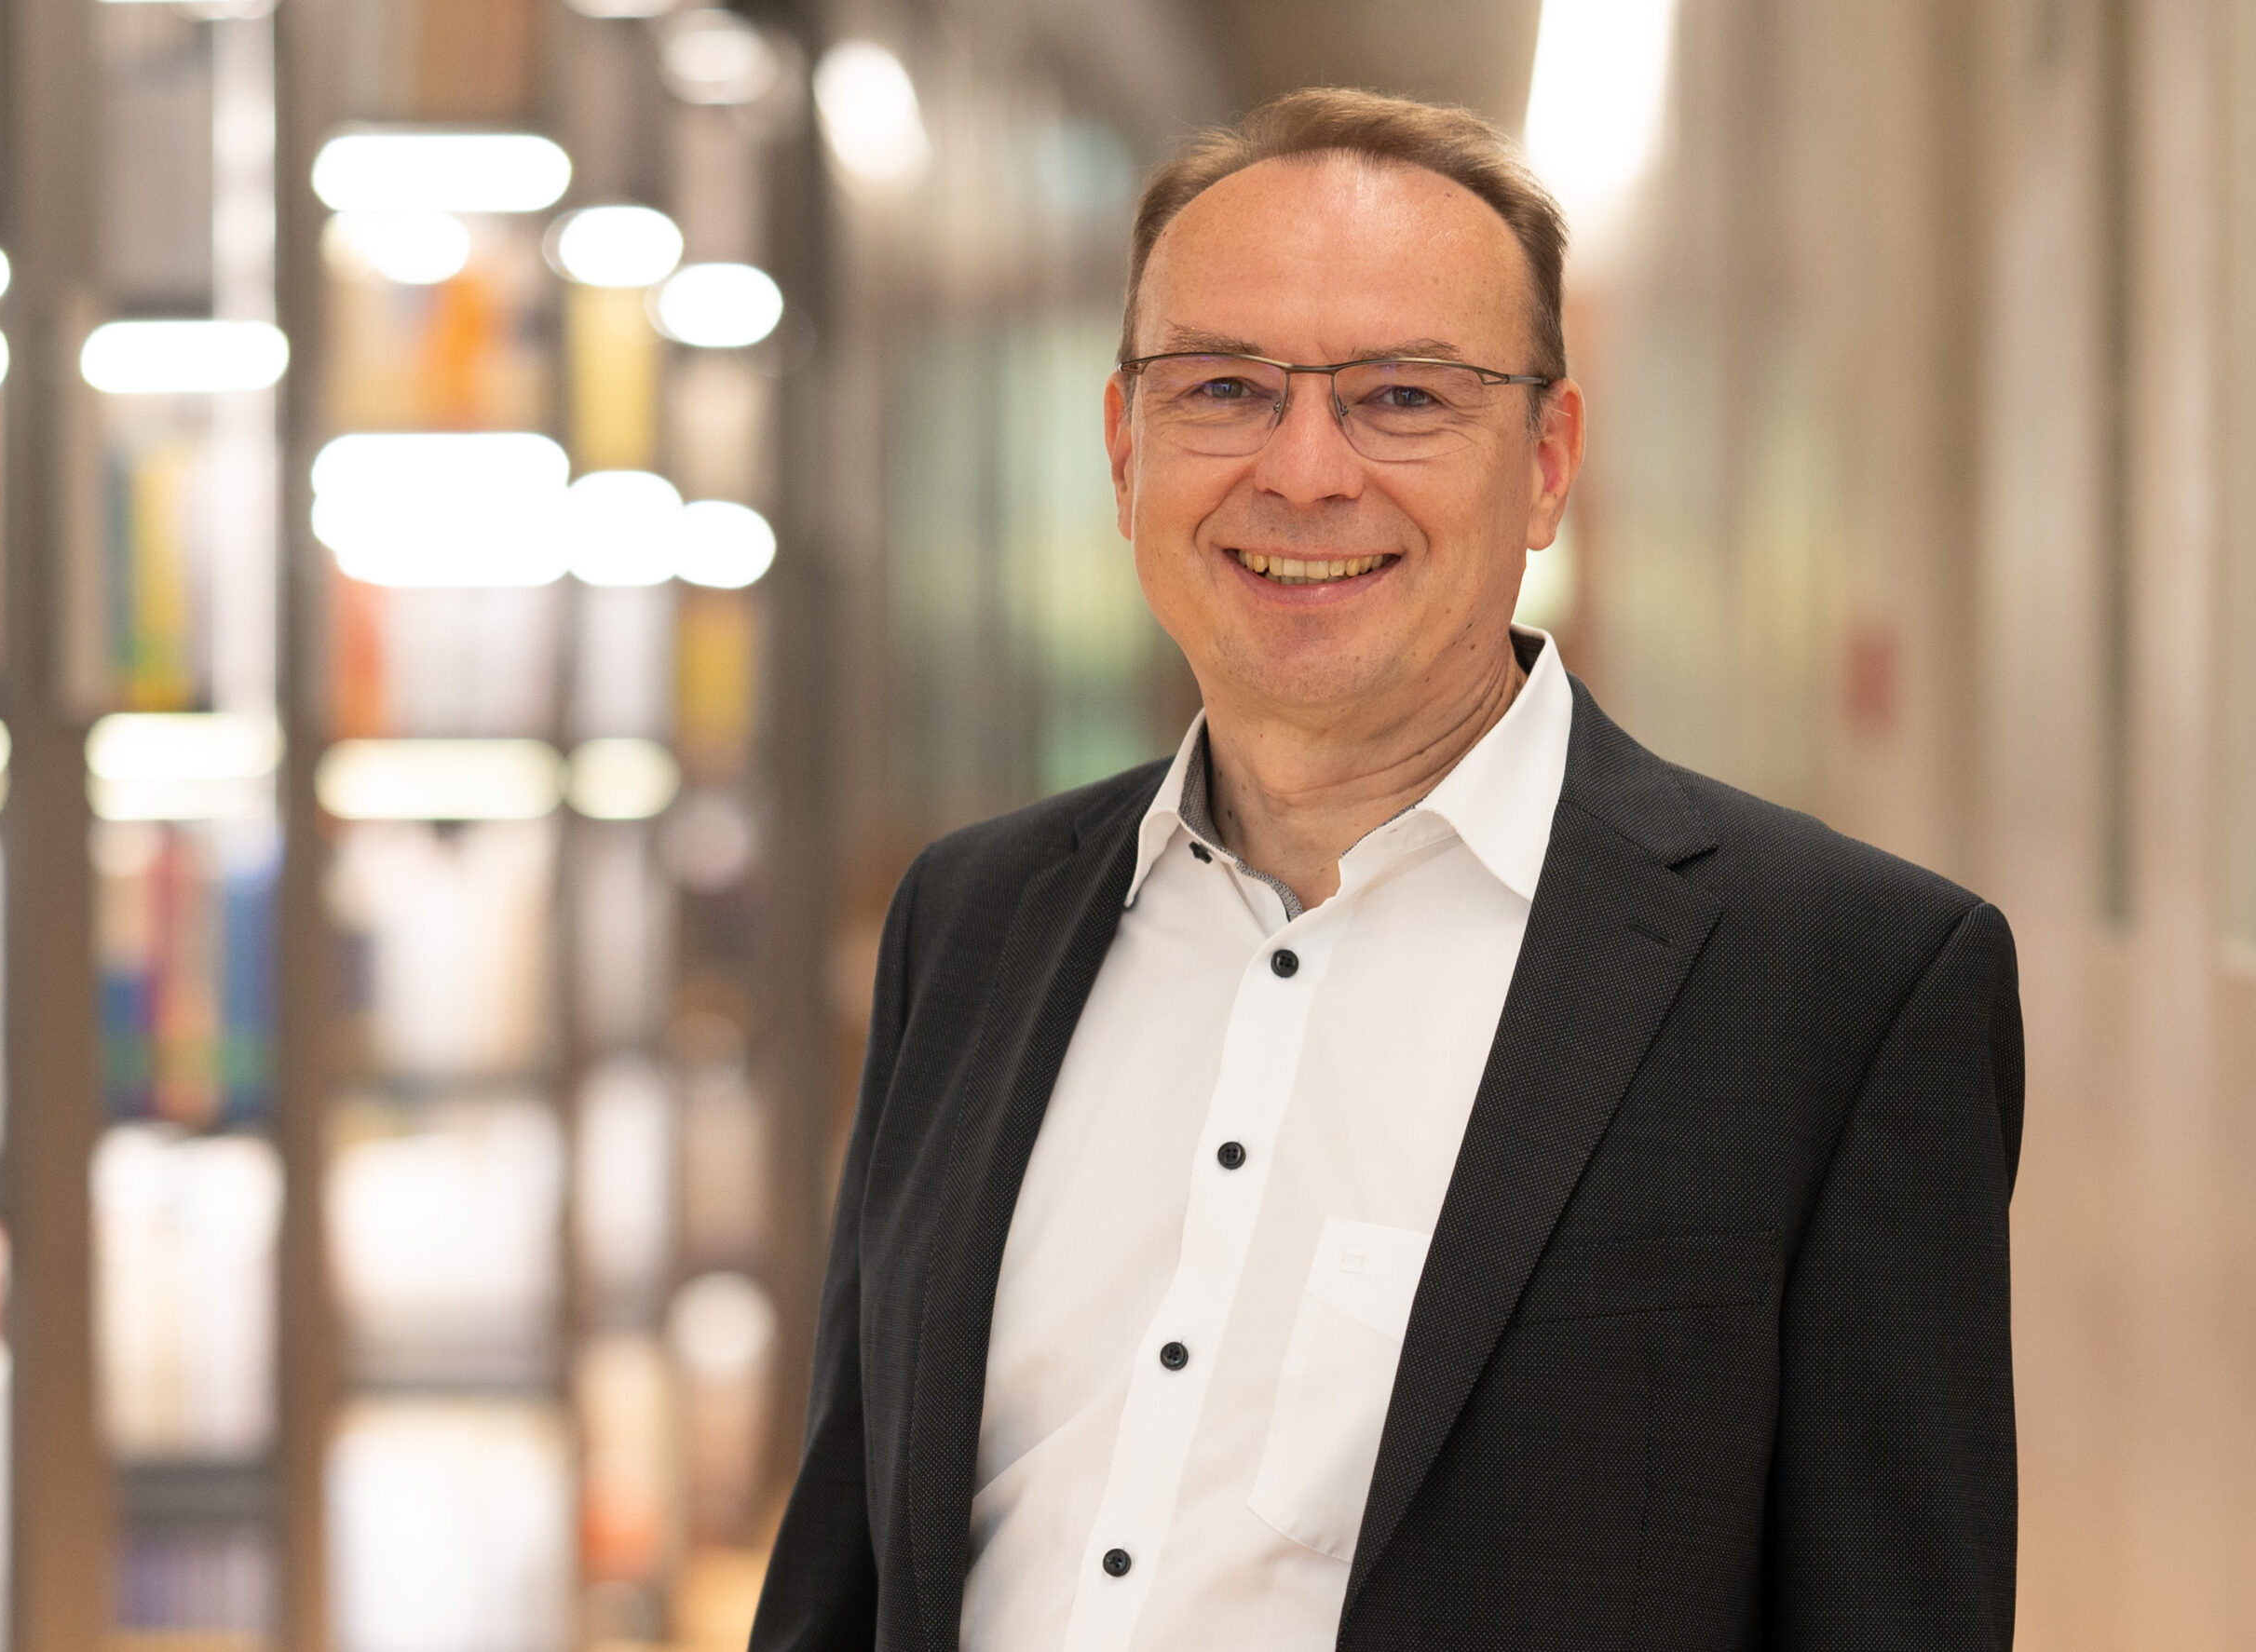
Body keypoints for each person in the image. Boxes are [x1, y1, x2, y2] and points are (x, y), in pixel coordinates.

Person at [751, 88, 2023, 1652]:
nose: (1303, 471)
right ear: (1122, 442)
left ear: (1548, 459)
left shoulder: (1845, 984)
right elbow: (842, 1571)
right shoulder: (970, 919)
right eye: (1223, 385)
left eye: (1404, 398)